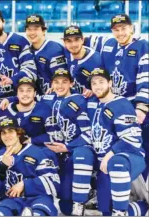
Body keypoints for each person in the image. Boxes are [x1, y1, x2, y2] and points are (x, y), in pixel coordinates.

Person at [87, 67, 147, 216]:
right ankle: (132, 210)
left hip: (129, 157)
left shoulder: (121, 104)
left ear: (110, 83)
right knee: (106, 210)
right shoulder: (95, 105)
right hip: (105, 165)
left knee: (116, 162)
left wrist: (109, 155)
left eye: (101, 82)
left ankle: (124, 211)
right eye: (94, 83)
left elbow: (132, 137)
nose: (97, 86)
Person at [101, 14, 149, 182]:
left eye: (123, 28)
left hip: (134, 108)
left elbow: (146, 78)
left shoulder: (143, 46)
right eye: (116, 29)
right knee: (113, 148)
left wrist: (142, 108)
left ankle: (141, 191)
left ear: (131, 28)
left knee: (138, 148)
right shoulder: (108, 45)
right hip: (114, 108)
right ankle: (115, 190)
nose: (120, 33)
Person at [41, 68, 94, 216]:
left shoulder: (78, 100)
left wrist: (67, 147)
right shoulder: (50, 99)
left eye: (64, 82)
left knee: (81, 154)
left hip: (78, 148)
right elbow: (28, 97)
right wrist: (9, 100)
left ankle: (82, 199)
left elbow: (88, 134)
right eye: (56, 82)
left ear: (71, 83)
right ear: (51, 84)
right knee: (65, 207)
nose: (60, 85)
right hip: (62, 151)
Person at [0, 117, 60, 216]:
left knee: (39, 212)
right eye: (3, 133)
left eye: (10, 131)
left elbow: (54, 183)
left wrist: (25, 185)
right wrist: (2, 168)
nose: (7, 136)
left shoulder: (37, 153)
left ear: (18, 133)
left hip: (38, 198)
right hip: (10, 201)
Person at [0, 77, 53, 147]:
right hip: (9, 151)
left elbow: (54, 135)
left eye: (29, 91)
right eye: (21, 91)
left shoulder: (44, 110)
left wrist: (31, 140)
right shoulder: (5, 109)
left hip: (36, 151)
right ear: (17, 94)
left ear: (35, 93)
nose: (25, 94)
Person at [24, 14, 67, 95]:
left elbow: (62, 78)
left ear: (43, 31)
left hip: (55, 97)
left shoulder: (54, 49)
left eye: (36, 29)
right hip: (37, 98)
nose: (32, 33)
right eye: (29, 29)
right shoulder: (27, 50)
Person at [62, 25, 103, 97]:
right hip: (73, 97)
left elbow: (103, 85)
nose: (73, 44)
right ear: (64, 43)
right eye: (69, 41)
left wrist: (93, 90)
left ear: (82, 40)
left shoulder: (96, 60)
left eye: (76, 40)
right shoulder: (65, 52)